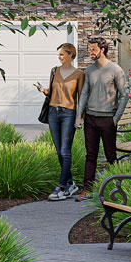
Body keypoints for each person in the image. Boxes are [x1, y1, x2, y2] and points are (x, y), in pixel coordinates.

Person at [76, 36, 128, 199]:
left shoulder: (115, 70)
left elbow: (125, 94)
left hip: (108, 119)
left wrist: (116, 117)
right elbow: (84, 93)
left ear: (102, 50)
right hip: (90, 118)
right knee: (90, 155)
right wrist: (79, 116)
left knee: (111, 156)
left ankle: (117, 189)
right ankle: (87, 189)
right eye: (89, 49)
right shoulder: (90, 70)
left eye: (93, 49)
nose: (90, 52)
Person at [35, 42, 85, 199]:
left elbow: (81, 98)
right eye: (59, 55)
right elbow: (53, 91)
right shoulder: (54, 71)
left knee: (65, 151)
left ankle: (62, 187)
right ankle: (70, 184)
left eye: (62, 54)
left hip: (68, 114)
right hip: (52, 112)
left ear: (71, 55)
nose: (59, 57)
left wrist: (80, 118)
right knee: (59, 152)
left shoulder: (78, 74)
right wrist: (44, 90)